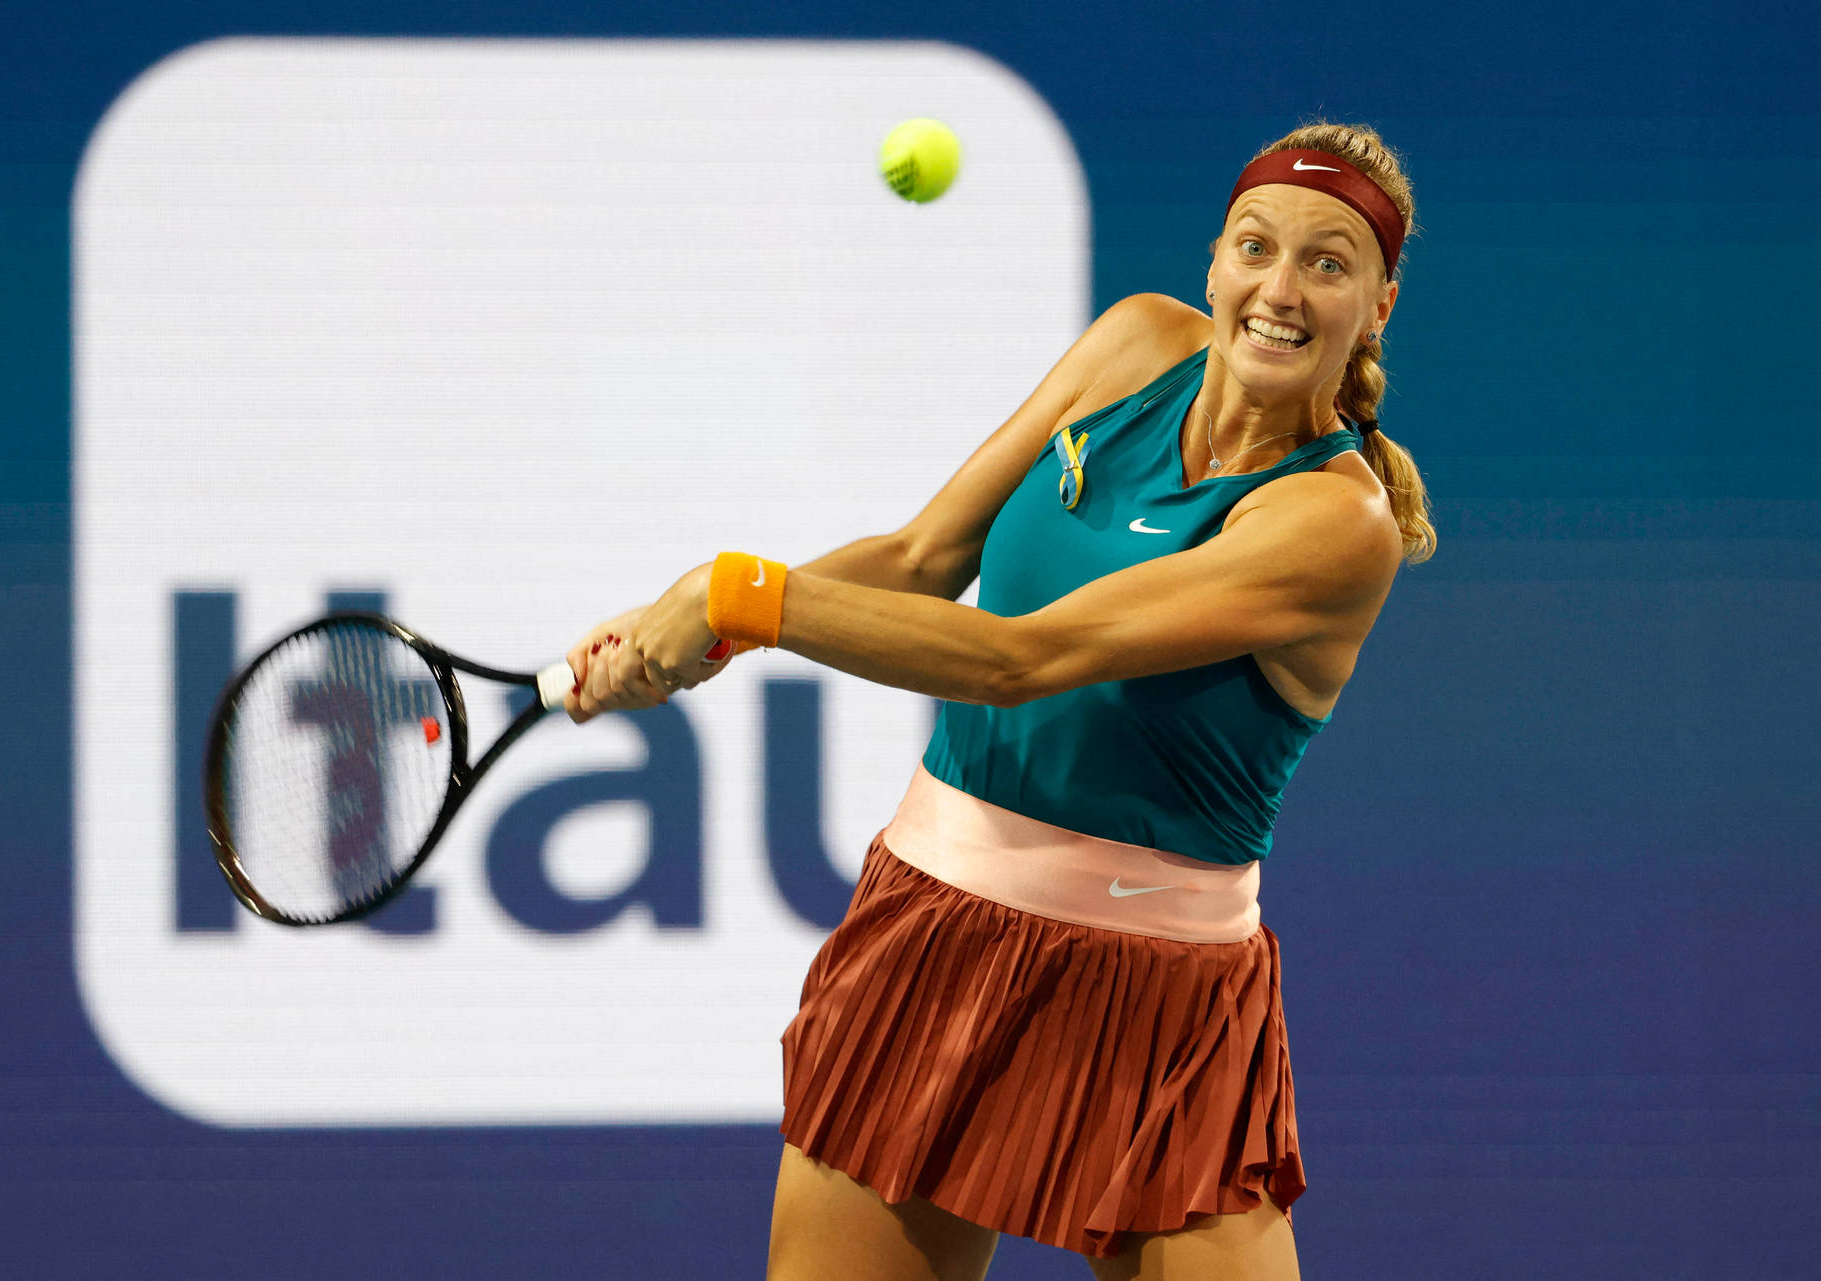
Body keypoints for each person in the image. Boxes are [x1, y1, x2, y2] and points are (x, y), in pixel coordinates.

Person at [564, 121, 1436, 1281]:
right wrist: (698, 630)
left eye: (1329, 264)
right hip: (934, 932)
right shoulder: (1134, 344)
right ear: (1213, 263)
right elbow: (925, 555)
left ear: (1376, 306)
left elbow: (1016, 659)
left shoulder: (1336, 525)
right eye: (1256, 248)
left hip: (1161, 1005)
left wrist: (738, 594)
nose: (1281, 290)